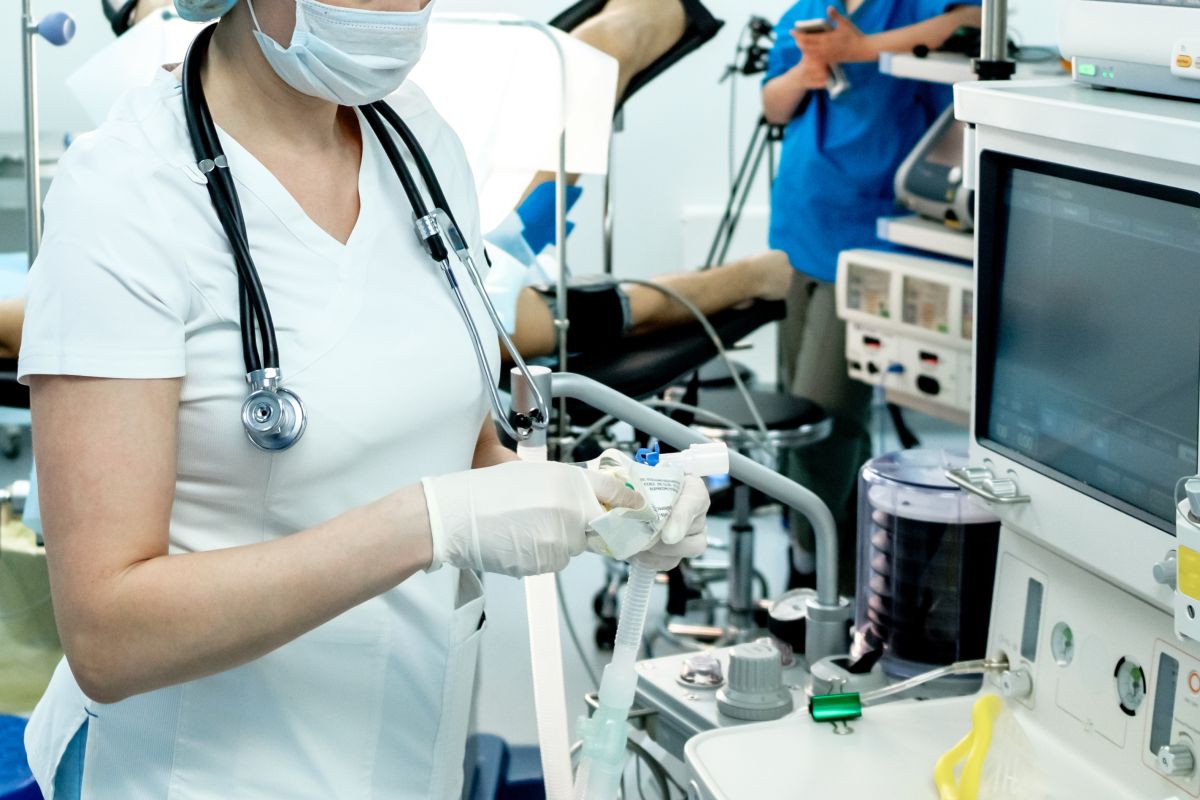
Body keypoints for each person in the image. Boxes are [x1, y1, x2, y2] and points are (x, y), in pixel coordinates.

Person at [20, 0, 709, 797]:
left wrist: (597, 504)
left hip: (412, 751)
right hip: (206, 772)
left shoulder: (416, 140)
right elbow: (108, 638)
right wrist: (430, 522)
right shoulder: (126, 193)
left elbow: (460, 444)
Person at [761, 0, 981, 592]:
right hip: (797, 228)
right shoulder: (809, 10)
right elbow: (772, 105)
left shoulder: (910, 8)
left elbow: (979, 25)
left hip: (868, 238)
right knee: (797, 418)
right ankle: (844, 563)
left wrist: (860, 49)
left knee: (823, 412)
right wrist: (801, 75)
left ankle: (810, 571)